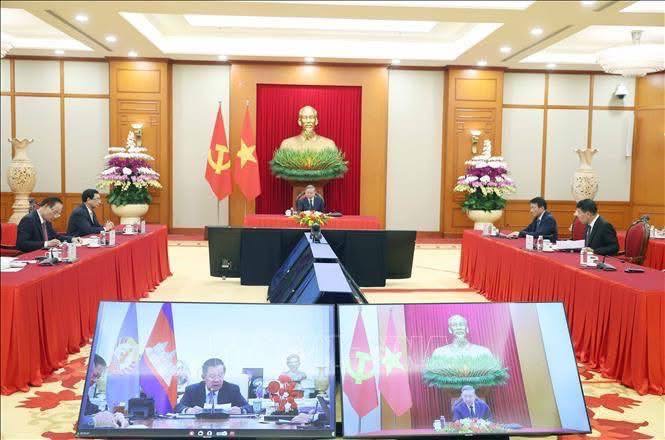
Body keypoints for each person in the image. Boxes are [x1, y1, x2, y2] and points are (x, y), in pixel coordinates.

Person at [175, 358, 252, 414]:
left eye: (220, 375)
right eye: (212, 376)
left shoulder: (232, 389)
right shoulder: (192, 390)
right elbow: (178, 407)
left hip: (225, 427)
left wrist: (241, 410)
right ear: (204, 377)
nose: (216, 380)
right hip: (199, 427)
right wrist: (187, 410)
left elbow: (249, 408)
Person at [79, 355, 129, 429]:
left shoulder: (84, 394)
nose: (95, 381)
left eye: (98, 377)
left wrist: (113, 415)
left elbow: (89, 409)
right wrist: (93, 421)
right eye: (95, 375)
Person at [16, 197, 81, 252]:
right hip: (31, 256)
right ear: (46, 206)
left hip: (45, 254)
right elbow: (22, 244)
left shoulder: (46, 220)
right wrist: (46, 244)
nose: (55, 216)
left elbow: (55, 236)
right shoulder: (29, 220)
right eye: (55, 212)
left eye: (58, 214)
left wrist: (72, 239)